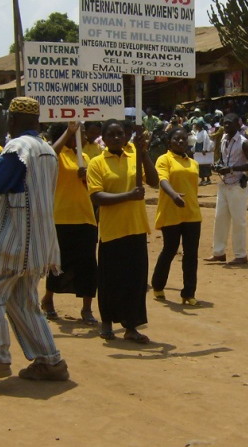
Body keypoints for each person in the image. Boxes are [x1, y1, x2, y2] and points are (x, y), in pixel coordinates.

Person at [0, 96, 69, 382]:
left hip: (14, 238)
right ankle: (50, 360)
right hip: (40, 240)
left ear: (13, 120)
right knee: (22, 301)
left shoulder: (17, 147)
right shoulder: (47, 149)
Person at [86, 119, 157, 344]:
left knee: (135, 280)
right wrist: (128, 196)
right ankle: (107, 322)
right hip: (112, 230)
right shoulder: (97, 163)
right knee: (110, 280)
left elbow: (154, 181)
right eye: (111, 134)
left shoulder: (134, 156)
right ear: (104, 139)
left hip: (135, 227)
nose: (117, 138)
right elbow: (97, 197)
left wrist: (144, 154)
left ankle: (131, 326)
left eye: (120, 134)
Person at [40, 122, 98, 325]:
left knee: (88, 264)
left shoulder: (86, 157)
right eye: (79, 133)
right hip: (61, 218)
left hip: (86, 217)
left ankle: (87, 308)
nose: (82, 136)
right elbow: (50, 154)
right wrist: (68, 132)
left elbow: (93, 188)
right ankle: (48, 300)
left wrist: (85, 178)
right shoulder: (58, 154)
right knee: (58, 264)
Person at [151, 128, 203, 306]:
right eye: (176, 139)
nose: (180, 142)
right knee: (170, 250)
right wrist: (173, 195)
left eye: (183, 139)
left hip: (192, 213)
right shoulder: (163, 160)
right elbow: (162, 180)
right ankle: (157, 285)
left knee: (191, 254)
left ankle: (189, 293)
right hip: (171, 212)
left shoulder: (193, 163)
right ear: (169, 142)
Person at [204, 113, 248, 265]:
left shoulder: (243, 143)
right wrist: (218, 165)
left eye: (229, 124)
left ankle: (241, 255)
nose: (226, 126)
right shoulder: (223, 140)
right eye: (224, 124)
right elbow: (223, 158)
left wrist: (232, 169)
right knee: (220, 218)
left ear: (237, 125)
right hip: (224, 184)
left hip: (237, 185)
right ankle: (219, 253)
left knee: (238, 220)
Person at [193, 119, 214, 185]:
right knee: (200, 165)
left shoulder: (204, 132)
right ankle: (202, 179)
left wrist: (204, 149)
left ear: (199, 126)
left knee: (205, 164)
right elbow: (196, 141)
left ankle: (208, 179)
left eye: (196, 125)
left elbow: (205, 141)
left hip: (202, 149)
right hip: (198, 149)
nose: (195, 126)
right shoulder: (197, 132)